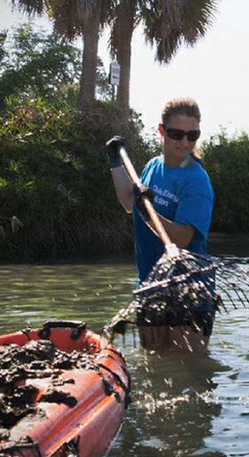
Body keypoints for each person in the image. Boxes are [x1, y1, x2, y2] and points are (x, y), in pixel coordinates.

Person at [106, 98, 216, 352]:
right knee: (155, 368)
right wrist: (116, 164)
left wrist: (148, 212)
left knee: (189, 372)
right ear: (162, 131)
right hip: (151, 285)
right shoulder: (153, 166)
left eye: (192, 135)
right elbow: (128, 203)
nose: (185, 142)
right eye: (177, 134)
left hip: (190, 290)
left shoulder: (197, 181)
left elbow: (183, 238)